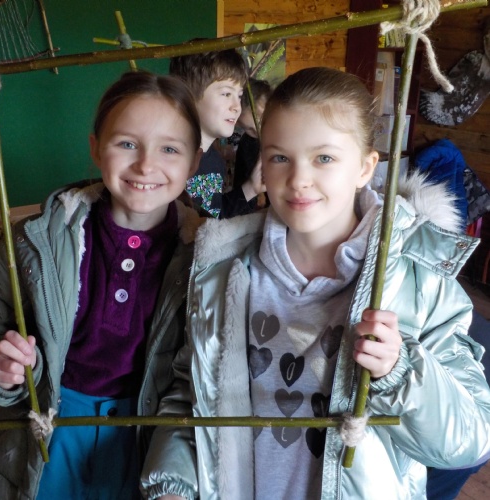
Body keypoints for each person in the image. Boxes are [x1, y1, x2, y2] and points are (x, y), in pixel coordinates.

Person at [140, 66, 490, 500]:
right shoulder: (223, 268)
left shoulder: (417, 280)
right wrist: (174, 484)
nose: (299, 179)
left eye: (324, 158)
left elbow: (471, 439)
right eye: (279, 157)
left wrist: (400, 373)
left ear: (365, 167)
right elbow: (192, 392)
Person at [0, 70, 203, 499]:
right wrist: (4, 370)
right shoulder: (33, 242)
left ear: (194, 161)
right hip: (47, 430)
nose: (146, 165)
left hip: (147, 437)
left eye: (169, 149)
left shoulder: (206, 253)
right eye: (126, 144)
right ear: (95, 148)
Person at [169, 49, 265, 219]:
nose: (237, 107)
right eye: (226, 94)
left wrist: (252, 187)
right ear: (188, 96)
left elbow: (211, 217)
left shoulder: (214, 160)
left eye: (239, 95)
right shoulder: (169, 157)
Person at [232, 78, 272, 191]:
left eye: (261, 122)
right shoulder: (247, 144)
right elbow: (239, 186)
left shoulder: (291, 137)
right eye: (248, 129)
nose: (258, 132)